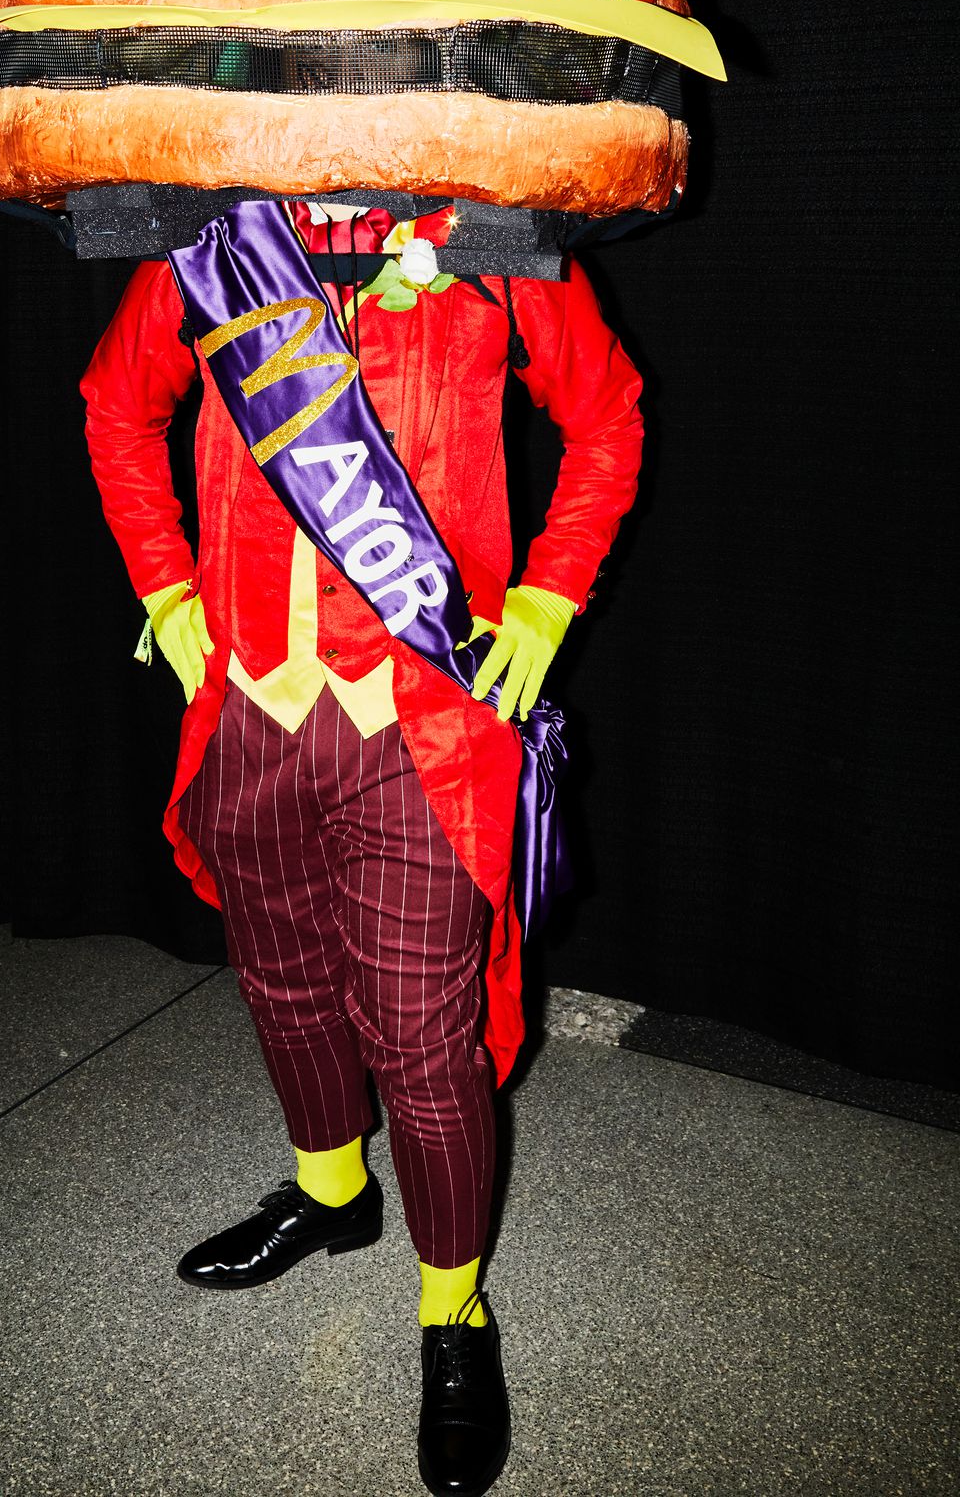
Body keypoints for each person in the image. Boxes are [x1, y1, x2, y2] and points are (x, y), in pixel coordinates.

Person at [79, 197, 644, 1497]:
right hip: (248, 708)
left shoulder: (494, 237)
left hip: (422, 723)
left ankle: (455, 1312)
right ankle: (331, 1192)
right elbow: (117, 405)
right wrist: (163, 583)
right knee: (281, 983)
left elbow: (609, 417)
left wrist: (550, 596)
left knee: (426, 1044)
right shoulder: (211, 241)